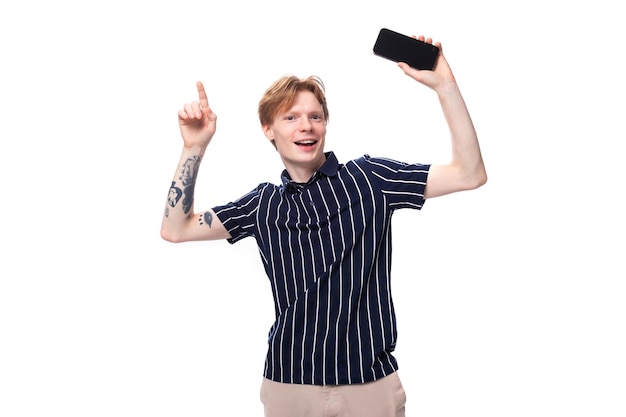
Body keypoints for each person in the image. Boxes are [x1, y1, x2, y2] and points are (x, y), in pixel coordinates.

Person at [161, 35, 487, 417]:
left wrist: (445, 86)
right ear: (269, 129)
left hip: (370, 386)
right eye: (291, 117)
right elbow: (176, 229)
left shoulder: (371, 179)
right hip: (289, 387)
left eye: (315, 116)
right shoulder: (262, 205)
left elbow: (469, 174)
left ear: (326, 125)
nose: (307, 126)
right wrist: (194, 146)